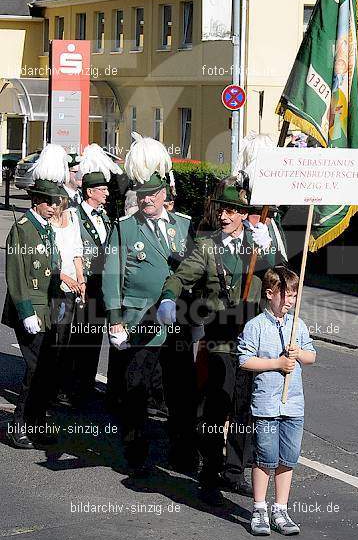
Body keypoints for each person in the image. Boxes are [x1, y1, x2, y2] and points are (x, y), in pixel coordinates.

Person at [159, 183, 279, 505]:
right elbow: (181, 277)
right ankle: (210, 472)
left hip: (250, 342)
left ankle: (234, 471)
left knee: (245, 411)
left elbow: (279, 282)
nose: (223, 216)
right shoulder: (206, 247)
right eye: (221, 210)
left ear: (242, 215)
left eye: (230, 211)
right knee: (216, 409)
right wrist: (169, 298)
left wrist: (269, 253)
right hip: (219, 341)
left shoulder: (256, 246)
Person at [103, 134, 197, 474]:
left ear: (164, 196)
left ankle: (183, 452)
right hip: (138, 319)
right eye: (140, 195)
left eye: (151, 195)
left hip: (177, 319)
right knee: (136, 388)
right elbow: (111, 275)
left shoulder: (184, 226)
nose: (144, 201)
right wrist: (115, 318)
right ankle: (135, 452)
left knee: (181, 390)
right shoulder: (126, 228)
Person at [237, 266, 316, 536]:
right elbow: (245, 360)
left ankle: (280, 508)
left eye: (294, 296)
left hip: (293, 405)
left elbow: (312, 357)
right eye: (286, 295)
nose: (290, 301)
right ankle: (259, 507)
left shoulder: (298, 325)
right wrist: (277, 363)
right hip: (267, 404)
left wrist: (299, 353)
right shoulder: (256, 326)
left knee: (288, 458)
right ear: (270, 294)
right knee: (265, 458)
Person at [2, 144, 69, 448]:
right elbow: (16, 273)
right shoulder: (23, 229)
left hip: (49, 310)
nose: (55, 208)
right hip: (29, 311)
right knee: (35, 370)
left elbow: (50, 270)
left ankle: (38, 422)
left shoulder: (46, 230)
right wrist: (27, 311)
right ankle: (19, 425)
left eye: (56, 203)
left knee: (48, 370)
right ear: (37, 201)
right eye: (50, 203)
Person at [72, 144, 122, 405]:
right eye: (102, 189)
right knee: (86, 338)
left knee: (103, 335)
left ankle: (90, 384)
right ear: (90, 192)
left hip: (105, 282)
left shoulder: (106, 214)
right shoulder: (75, 215)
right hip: (87, 282)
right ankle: (79, 388)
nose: (106, 193)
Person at [49, 195, 85, 405]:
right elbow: (48, 257)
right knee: (54, 338)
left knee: (64, 338)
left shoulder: (72, 217)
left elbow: (77, 251)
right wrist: (65, 277)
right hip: (56, 285)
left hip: (72, 286)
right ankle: (49, 386)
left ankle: (58, 385)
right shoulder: (47, 222)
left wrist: (81, 279)